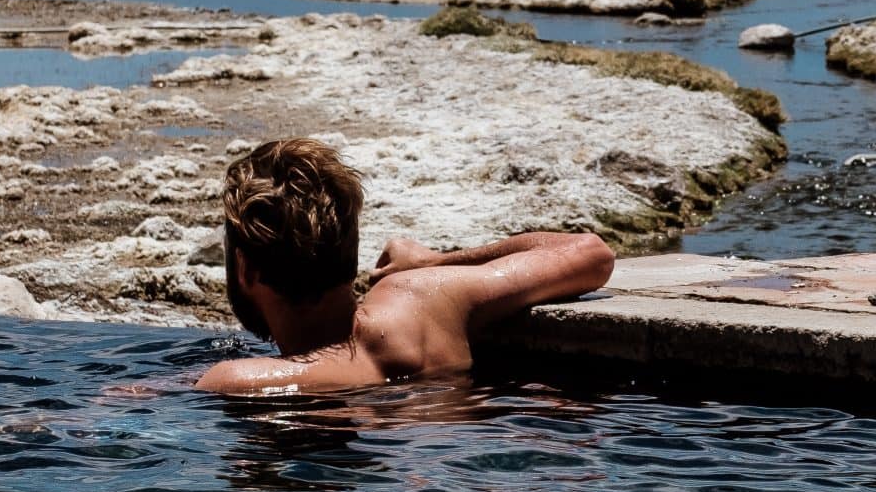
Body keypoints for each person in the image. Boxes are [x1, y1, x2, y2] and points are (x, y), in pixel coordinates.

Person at [198, 136, 614, 395]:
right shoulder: (424, 301)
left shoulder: (236, 381)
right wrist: (434, 262)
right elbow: (591, 253)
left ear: (247, 270)